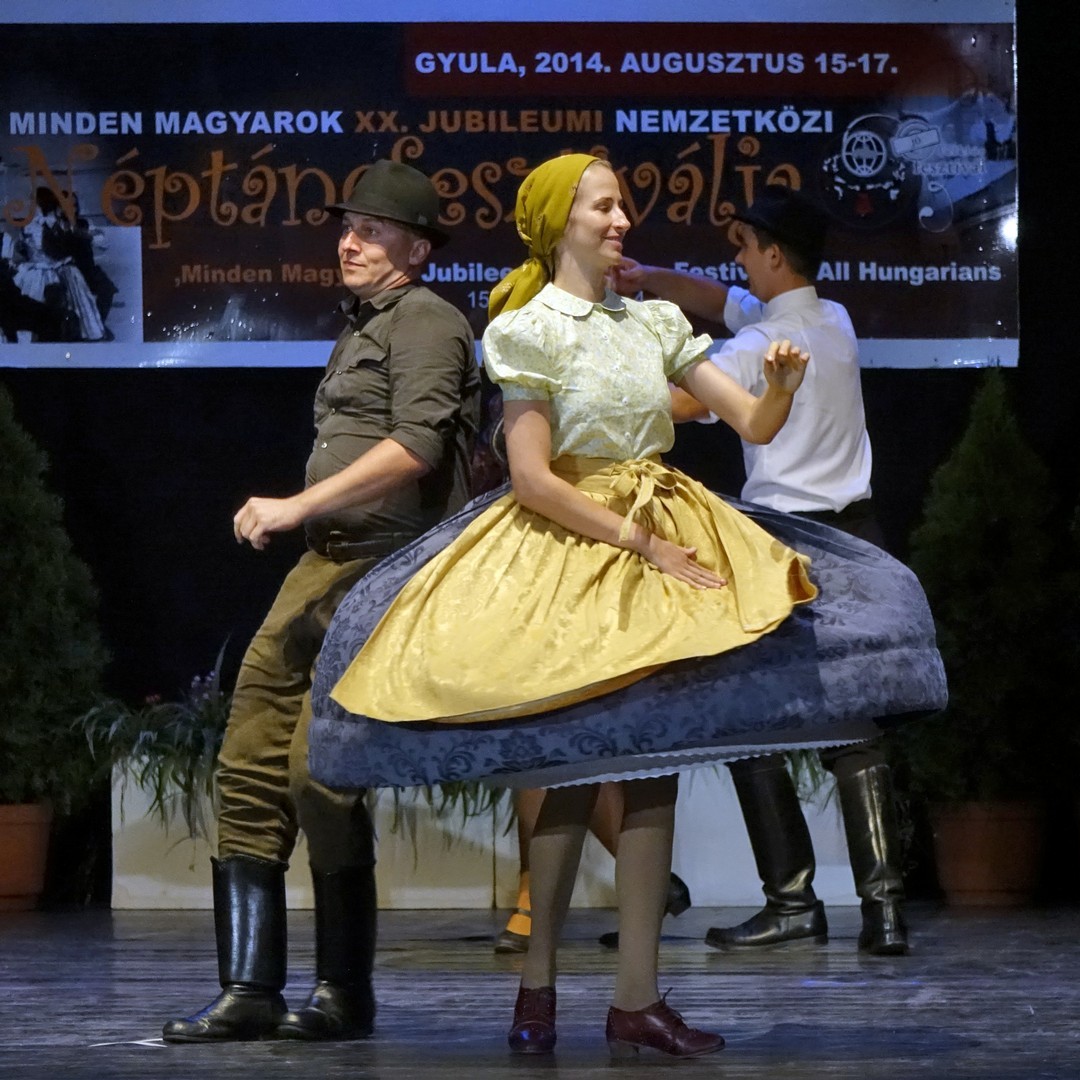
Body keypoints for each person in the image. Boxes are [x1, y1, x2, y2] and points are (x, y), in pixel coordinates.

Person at [327, 152, 816, 1058]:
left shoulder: (656, 320)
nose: (621, 219)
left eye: (623, 205)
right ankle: (538, 982)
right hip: (579, 547)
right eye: (603, 206)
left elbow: (753, 423)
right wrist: (638, 541)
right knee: (572, 768)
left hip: (663, 539)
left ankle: (638, 998)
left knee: (656, 766)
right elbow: (531, 478)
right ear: (560, 222)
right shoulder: (528, 329)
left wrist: (780, 386)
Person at [162, 160, 482, 1043]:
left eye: (373, 231)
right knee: (248, 763)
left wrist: (296, 504)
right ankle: (250, 989)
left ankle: (345, 991)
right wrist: (309, 522)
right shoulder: (361, 327)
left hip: (387, 569)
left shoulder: (429, 321)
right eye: (347, 228)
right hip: (322, 565)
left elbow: (417, 447)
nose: (350, 241)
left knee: (320, 772)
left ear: (416, 250)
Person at [614, 183, 909, 956]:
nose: (738, 261)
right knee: (857, 722)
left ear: (774, 254)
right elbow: (722, 300)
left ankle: (791, 900)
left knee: (751, 720)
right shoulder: (832, 319)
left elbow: (680, 403)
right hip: (860, 536)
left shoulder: (752, 352)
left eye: (746, 248)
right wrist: (646, 279)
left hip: (785, 545)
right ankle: (884, 911)